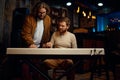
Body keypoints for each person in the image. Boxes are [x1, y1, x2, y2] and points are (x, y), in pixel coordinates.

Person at [21, 2, 51, 80]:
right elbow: (25, 33)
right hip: (29, 46)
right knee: (26, 66)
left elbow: (47, 33)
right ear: (36, 11)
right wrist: (30, 43)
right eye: (40, 13)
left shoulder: (48, 19)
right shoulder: (29, 18)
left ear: (46, 11)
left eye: (44, 13)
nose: (42, 15)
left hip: (40, 46)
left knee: (40, 67)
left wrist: (45, 44)